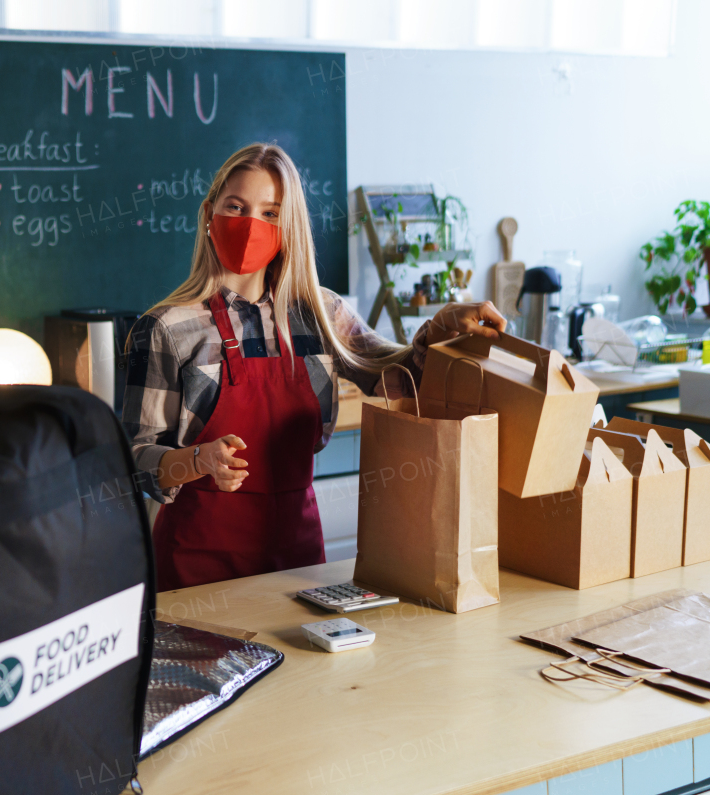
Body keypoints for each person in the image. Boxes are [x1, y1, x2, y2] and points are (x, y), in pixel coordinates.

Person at [124, 143, 505, 591]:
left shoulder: (321, 314)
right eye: (236, 207)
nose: (251, 224)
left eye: (270, 213)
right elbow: (136, 459)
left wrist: (439, 328)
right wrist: (196, 461)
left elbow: (398, 380)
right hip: (199, 568)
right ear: (210, 214)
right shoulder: (165, 328)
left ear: (289, 229)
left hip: (298, 559)